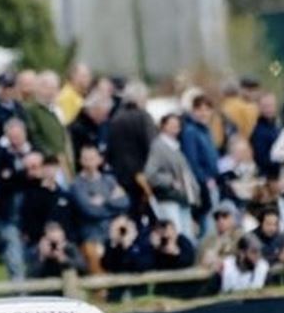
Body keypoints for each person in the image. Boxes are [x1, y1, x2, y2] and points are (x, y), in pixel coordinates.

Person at [69, 145, 129, 274]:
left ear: (99, 160)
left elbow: (124, 202)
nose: (90, 162)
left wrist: (104, 201)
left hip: (114, 229)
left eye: (92, 158)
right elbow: (90, 210)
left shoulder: (109, 180)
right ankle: (101, 291)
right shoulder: (76, 185)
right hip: (92, 234)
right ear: (80, 161)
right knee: (93, 255)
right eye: (86, 159)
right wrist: (113, 203)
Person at [0, 118, 34, 280]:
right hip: (8, 214)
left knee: (31, 257)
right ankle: (20, 297)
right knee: (14, 258)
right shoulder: (0, 154)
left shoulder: (36, 152)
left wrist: (12, 175)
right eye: (12, 137)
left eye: (18, 136)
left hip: (33, 213)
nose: (15, 140)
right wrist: (23, 173)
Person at [144, 114, 199, 240]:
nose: (175, 127)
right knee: (175, 235)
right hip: (169, 198)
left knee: (186, 236)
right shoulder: (159, 146)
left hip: (182, 199)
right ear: (163, 126)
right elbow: (150, 174)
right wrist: (170, 181)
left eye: (177, 125)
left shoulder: (175, 146)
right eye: (171, 124)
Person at [106, 81, 157, 212]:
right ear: (139, 98)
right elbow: (153, 147)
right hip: (142, 177)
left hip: (121, 176)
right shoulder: (144, 117)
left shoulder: (115, 118)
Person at [180, 95, 220, 230]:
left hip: (212, 182)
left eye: (207, 109)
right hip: (202, 185)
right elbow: (192, 161)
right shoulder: (190, 131)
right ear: (193, 111)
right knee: (207, 223)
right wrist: (204, 179)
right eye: (199, 109)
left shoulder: (206, 130)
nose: (203, 113)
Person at [26, 71, 72, 175]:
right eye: (49, 88)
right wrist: (51, 155)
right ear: (39, 88)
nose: (53, 92)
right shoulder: (32, 110)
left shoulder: (56, 110)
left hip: (63, 162)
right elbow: (34, 136)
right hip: (46, 164)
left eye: (55, 88)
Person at [0, 72, 29, 149]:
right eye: (4, 87)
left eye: (10, 87)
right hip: (0, 151)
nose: (7, 91)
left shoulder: (20, 108)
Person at [197, 201, 245, 269]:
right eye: (216, 217)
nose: (220, 220)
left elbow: (242, 260)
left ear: (234, 218)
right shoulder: (207, 240)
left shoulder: (242, 237)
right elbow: (201, 263)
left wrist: (220, 261)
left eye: (225, 215)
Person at [69, 91, 112, 161]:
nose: (105, 118)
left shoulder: (96, 126)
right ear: (94, 110)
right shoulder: (78, 128)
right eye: (104, 114)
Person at [251, 92, 281, 180]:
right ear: (259, 107)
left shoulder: (276, 126)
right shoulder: (259, 132)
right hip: (269, 177)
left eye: (271, 105)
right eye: (265, 106)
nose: (269, 109)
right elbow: (262, 160)